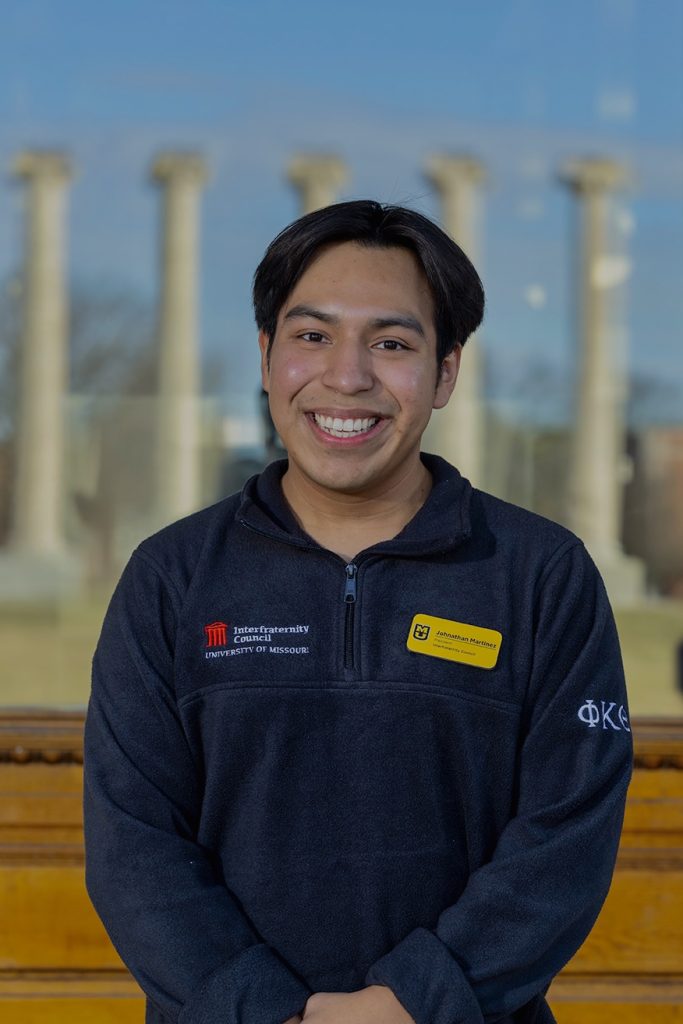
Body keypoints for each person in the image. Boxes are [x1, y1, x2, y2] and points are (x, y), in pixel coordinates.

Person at [83, 200, 634, 1024]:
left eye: (391, 343)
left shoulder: (542, 576)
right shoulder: (171, 576)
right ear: (267, 357)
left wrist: (411, 1002)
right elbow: (135, 848)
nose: (347, 377)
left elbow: (564, 837)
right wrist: (267, 1010)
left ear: (445, 371)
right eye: (311, 336)